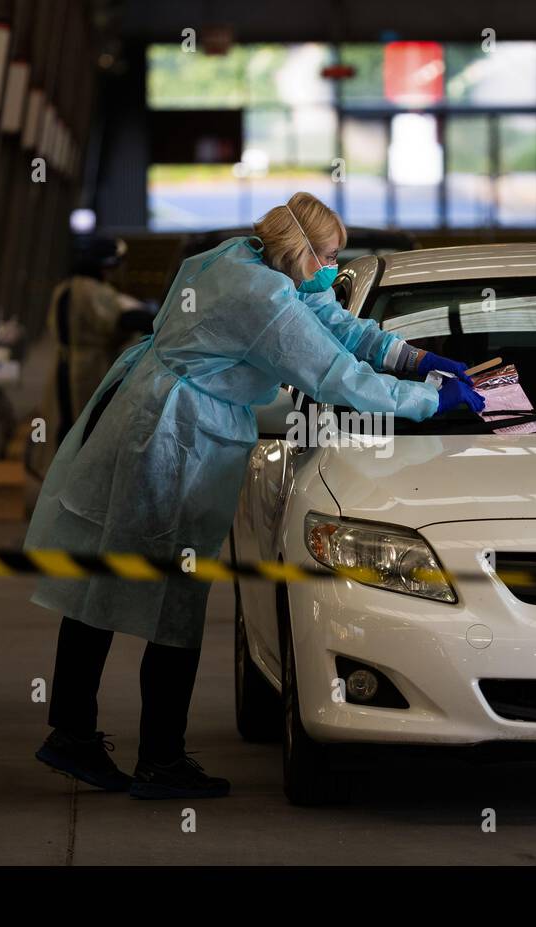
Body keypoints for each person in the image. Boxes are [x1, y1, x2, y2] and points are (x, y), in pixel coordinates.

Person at [26, 192, 483, 799]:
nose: (331, 269)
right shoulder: (262, 300)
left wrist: (411, 355)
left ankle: (73, 732)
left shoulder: (235, 258)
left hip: (149, 411)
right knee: (172, 597)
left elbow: (330, 318)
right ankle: (159, 761)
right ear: (301, 252)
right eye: (330, 257)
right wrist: (429, 400)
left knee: (102, 576)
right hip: (175, 437)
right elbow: (335, 376)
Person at [44, 236, 151, 448]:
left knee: (66, 422)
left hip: (64, 363)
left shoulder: (64, 287)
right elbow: (112, 322)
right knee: (88, 424)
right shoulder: (93, 291)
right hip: (89, 367)